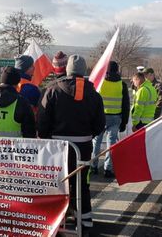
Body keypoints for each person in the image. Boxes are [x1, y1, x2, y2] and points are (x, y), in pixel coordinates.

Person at [37, 54, 105, 231]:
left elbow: (43, 120)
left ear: (67, 70)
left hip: (57, 149)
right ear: (83, 72)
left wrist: (45, 138)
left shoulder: (52, 90)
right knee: (82, 183)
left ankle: (58, 221)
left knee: (59, 183)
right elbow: (99, 125)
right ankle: (85, 221)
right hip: (83, 147)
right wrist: (89, 134)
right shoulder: (94, 94)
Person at [91, 61, 130, 178]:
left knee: (96, 142)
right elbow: (126, 105)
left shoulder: (100, 83)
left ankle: (93, 166)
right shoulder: (122, 85)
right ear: (117, 70)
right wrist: (124, 122)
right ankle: (108, 169)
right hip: (115, 117)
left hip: (100, 117)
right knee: (111, 144)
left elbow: (93, 102)